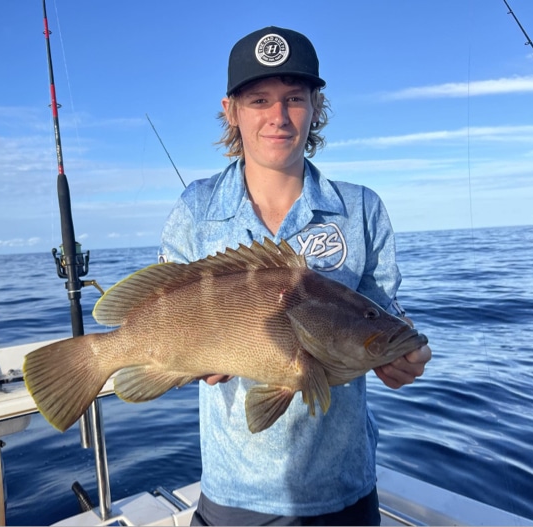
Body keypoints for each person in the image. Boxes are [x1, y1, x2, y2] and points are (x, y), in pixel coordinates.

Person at [158, 26, 432, 526]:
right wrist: (196, 360)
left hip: (342, 488)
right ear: (231, 111)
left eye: (294, 99)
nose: (278, 117)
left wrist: (404, 352)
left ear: (316, 107)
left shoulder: (361, 208)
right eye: (259, 99)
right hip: (233, 492)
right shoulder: (195, 209)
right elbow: (164, 307)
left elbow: (384, 312)